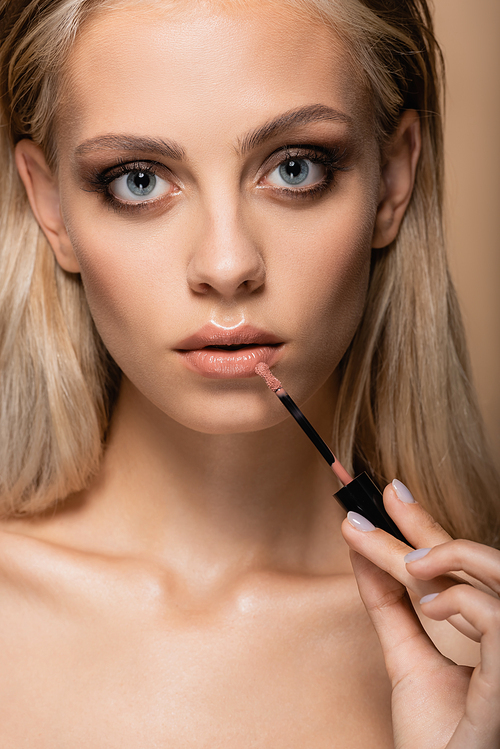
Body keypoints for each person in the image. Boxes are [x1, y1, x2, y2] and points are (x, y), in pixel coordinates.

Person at [0, 0, 499, 745]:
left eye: (294, 168)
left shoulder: (476, 658)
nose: (228, 265)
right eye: (138, 180)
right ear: (50, 205)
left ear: (393, 181)